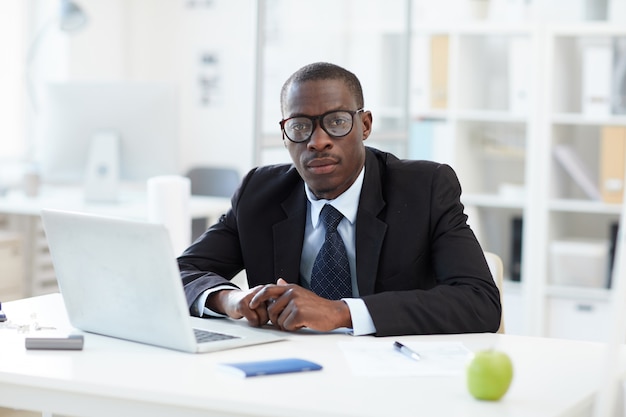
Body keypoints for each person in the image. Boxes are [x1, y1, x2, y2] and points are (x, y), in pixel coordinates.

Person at [178, 62, 501, 336]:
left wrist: (341, 312)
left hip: (391, 369)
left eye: (336, 122)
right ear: (284, 133)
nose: (318, 142)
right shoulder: (259, 192)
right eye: (300, 126)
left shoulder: (424, 188)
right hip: (286, 369)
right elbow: (179, 272)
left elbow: (479, 301)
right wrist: (229, 300)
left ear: (365, 125)